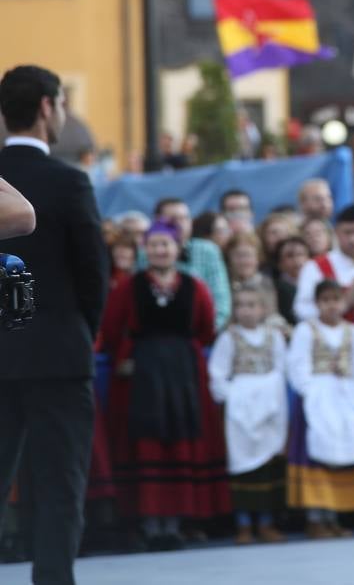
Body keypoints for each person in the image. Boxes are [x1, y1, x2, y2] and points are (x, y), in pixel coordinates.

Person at [0, 65, 109, 585]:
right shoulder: (69, 182)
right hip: (59, 352)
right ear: (47, 106)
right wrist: (79, 332)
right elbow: (93, 274)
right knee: (60, 485)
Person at [100, 220, 229, 549]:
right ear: (146, 249)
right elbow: (113, 327)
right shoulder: (131, 286)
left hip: (182, 372)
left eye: (166, 244)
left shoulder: (193, 285)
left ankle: (173, 524)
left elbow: (204, 327)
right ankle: (150, 524)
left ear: (177, 248)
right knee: (147, 440)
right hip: (143, 373)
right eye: (154, 244)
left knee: (179, 439)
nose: (160, 250)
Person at [286, 279, 354, 538]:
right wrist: (311, 392)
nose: (331, 306)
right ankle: (316, 517)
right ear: (317, 303)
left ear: (343, 302)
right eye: (325, 300)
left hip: (345, 398)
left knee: (343, 452)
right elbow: (297, 364)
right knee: (316, 458)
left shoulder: (353, 331)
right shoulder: (306, 330)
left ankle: (336, 516)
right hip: (317, 399)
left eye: (335, 300)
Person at [207, 282, 289, 545]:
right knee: (243, 465)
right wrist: (233, 396)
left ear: (263, 308)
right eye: (240, 306)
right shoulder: (229, 338)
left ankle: (266, 523)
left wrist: (269, 396)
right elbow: (217, 374)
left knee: (267, 465)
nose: (246, 311)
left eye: (251, 305)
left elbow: (281, 368)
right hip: (241, 410)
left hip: (269, 405)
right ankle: (243, 525)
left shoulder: (273, 336)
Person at [156, 197, 232, 333]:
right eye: (174, 219)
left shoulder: (208, 250)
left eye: (185, 218)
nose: (180, 224)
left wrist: (205, 334)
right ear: (157, 221)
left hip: (200, 337)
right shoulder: (145, 253)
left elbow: (221, 300)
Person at [270, 236, 309, 326]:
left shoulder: (319, 285)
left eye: (300, 254)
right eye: (290, 256)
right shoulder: (273, 289)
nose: (296, 260)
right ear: (279, 263)